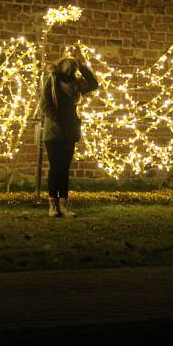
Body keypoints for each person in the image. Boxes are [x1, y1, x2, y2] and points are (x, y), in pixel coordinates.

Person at [39, 45, 99, 218]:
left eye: (74, 66)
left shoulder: (76, 84)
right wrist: (58, 121)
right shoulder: (52, 81)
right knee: (55, 168)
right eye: (69, 64)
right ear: (61, 64)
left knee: (64, 168)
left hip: (70, 131)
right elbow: (45, 105)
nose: (71, 67)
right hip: (54, 132)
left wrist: (82, 66)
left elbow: (94, 85)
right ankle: (52, 205)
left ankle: (64, 205)